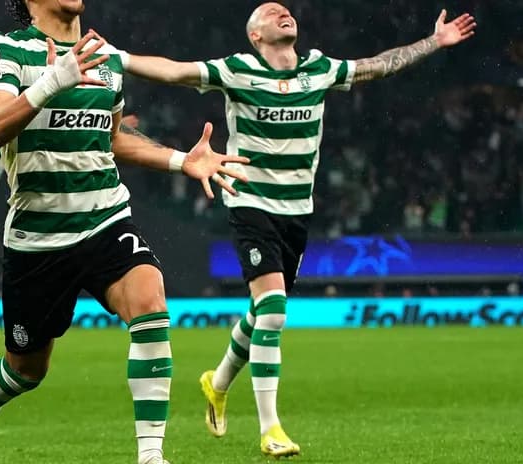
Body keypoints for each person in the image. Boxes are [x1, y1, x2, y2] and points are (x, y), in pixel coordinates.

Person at [119, 2, 476, 458]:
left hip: (296, 210)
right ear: (255, 36)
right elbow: (173, 71)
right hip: (250, 203)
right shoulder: (238, 70)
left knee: (263, 310)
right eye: (270, 13)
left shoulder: (320, 68)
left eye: (285, 10)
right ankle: (270, 428)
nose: (282, 12)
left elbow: (378, 66)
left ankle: (218, 381)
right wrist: (120, 57)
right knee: (273, 311)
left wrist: (434, 41)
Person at [0, 1, 249, 463]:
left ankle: (150, 456)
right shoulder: (8, 48)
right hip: (37, 234)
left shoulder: (104, 56)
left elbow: (110, 136)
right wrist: (52, 81)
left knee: (150, 300)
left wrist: (179, 160)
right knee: (25, 370)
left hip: (104, 216)